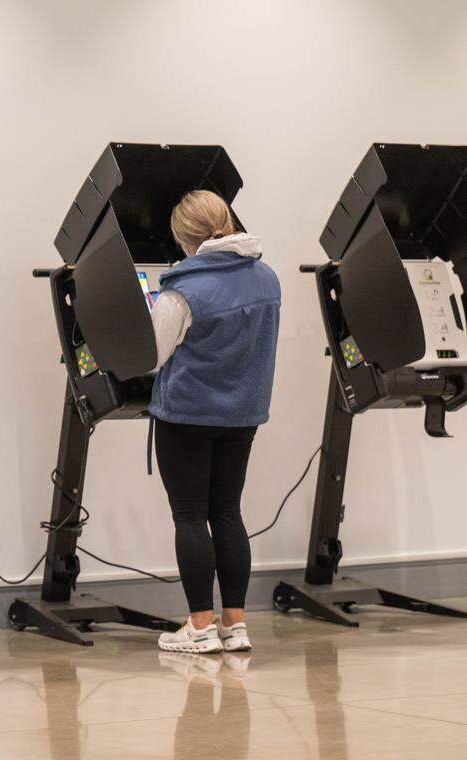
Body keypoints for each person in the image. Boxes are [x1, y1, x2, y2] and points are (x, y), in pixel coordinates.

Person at [150, 190, 280, 654]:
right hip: (243, 415)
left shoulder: (180, 292)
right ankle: (235, 624)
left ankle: (199, 627)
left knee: (189, 517)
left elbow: (153, 357)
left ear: (182, 238)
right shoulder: (267, 279)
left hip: (186, 415)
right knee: (227, 512)